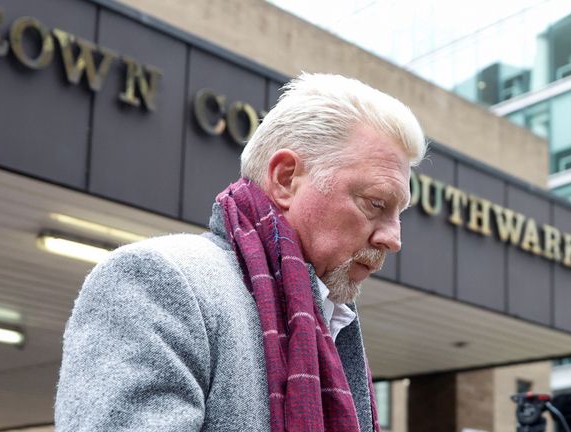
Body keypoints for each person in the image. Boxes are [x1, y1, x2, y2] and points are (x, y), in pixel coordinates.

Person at [55, 73, 426, 431]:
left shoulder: (332, 321)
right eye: (375, 203)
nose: (393, 239)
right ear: (285, 178)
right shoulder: (156, 281)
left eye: (399, 213)